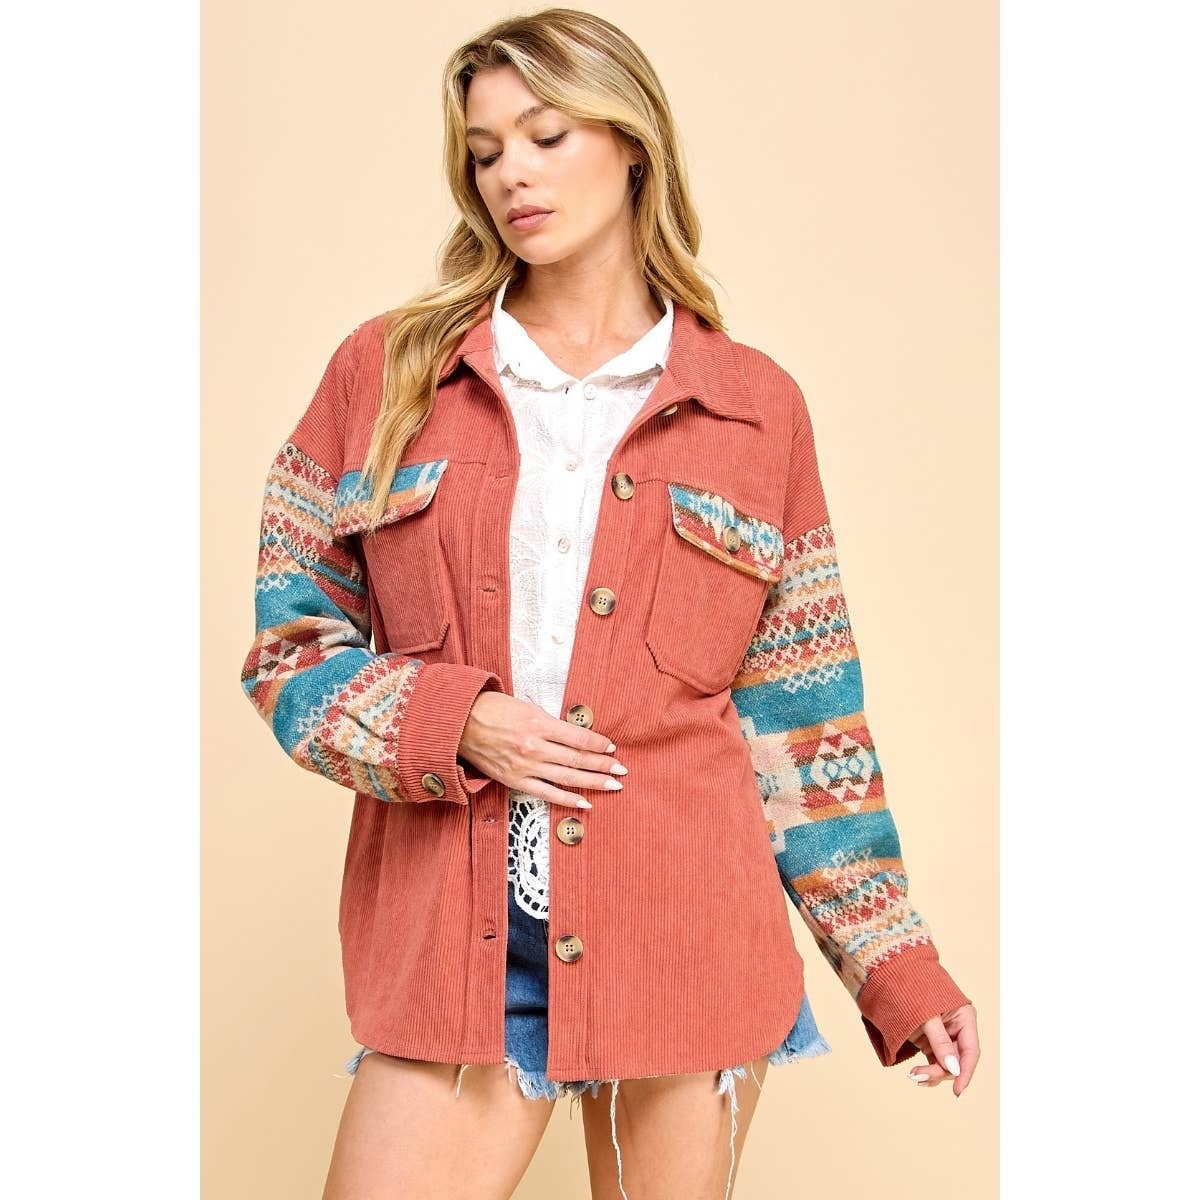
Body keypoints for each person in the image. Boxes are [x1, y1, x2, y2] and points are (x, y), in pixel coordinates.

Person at [239, 9, 980, 1199]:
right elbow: (287, 651)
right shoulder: (385, 375)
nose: (512, 175)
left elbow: (804, 725)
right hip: (450, 946)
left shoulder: (755, 411)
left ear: (633, 144)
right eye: (485, 151)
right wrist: (456, 720)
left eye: (546, 136)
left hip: (686, 944)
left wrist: (898, 968)